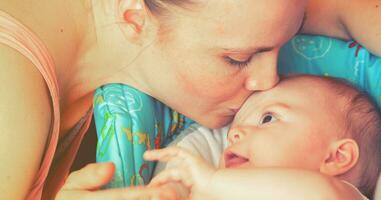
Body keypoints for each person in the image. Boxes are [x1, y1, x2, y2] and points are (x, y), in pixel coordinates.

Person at [0, 0, 380, 199]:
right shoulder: (10, 104)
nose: (270, 80)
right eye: (238, 58)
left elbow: (347, 10)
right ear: (134, 20)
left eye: (283, 42)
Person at [146, 75, 381, 200]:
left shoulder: (344, 194)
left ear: (336, 157)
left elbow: (325, 194)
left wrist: (211, 181)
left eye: (267, 118)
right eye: (231, 132)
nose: (234, 134)